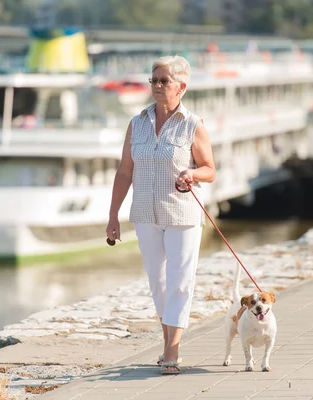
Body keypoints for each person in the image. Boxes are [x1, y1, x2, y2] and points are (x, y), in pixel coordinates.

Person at [106, 55, 216, 374]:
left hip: (182, 213)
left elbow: (210, 169)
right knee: (158, 282)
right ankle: (169, 339)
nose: (156, 86)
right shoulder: (137, 123)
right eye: (153, 80)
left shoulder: (193, 124)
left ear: (181, 87)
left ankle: (172, 349)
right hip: (144, 213)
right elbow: (125, 172)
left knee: (181, 281)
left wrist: (192, 175)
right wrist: (113, 217)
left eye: (163, 81)